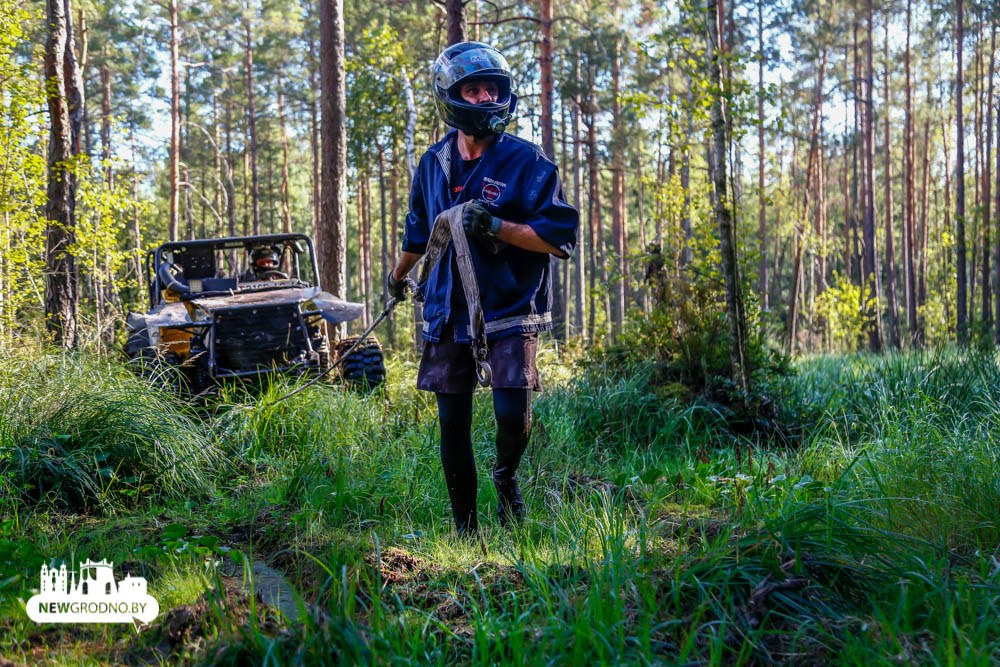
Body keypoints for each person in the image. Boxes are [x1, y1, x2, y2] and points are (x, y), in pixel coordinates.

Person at [386, 41, 579, 535]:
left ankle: (506, 475)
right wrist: (398, 276)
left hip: (510, 306)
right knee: (452, 422)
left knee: (511, 413)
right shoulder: (433, 163)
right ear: (451, 98)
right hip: (446, 309)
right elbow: (417, 230)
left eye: (492, 89)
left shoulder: (529, 162)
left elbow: (559, 242)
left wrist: (498, 227)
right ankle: (465, 531)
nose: (484, 98)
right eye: (472, 90)